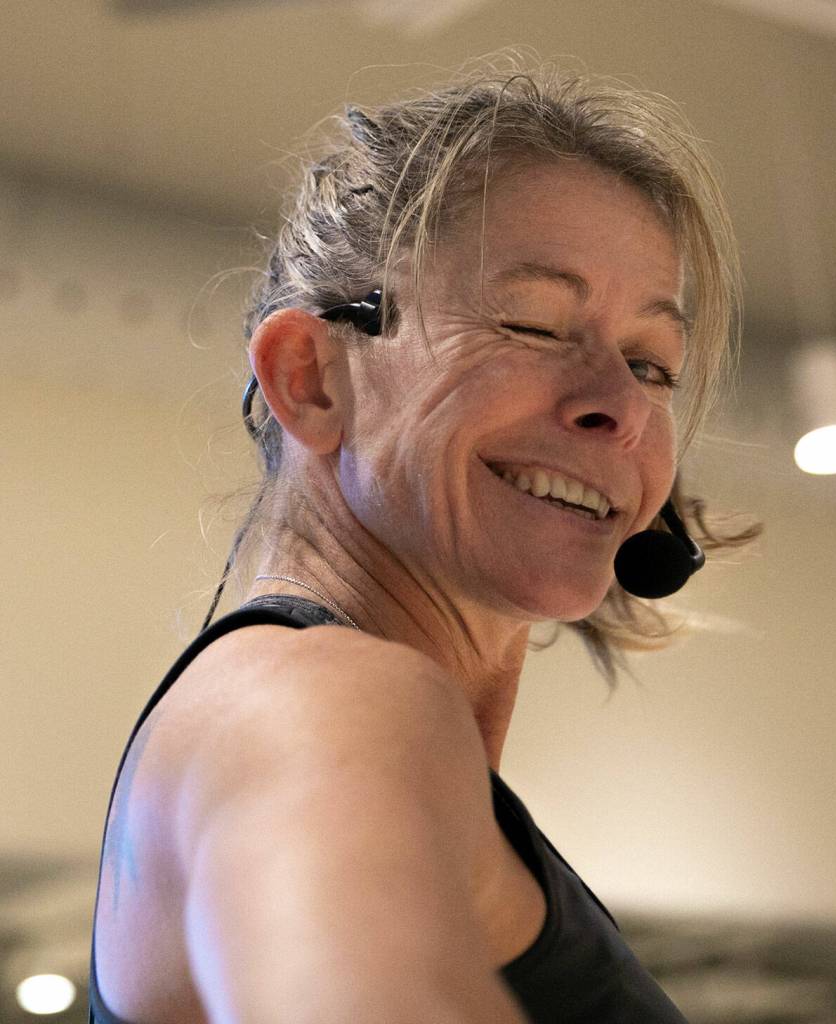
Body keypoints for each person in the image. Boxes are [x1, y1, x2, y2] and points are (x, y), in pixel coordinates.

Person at [88, 52, 759, 1023]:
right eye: (531, 325)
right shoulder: (317, 701)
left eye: (651, 364)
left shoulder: (337, 717)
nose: (616, 404)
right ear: (311, 377)